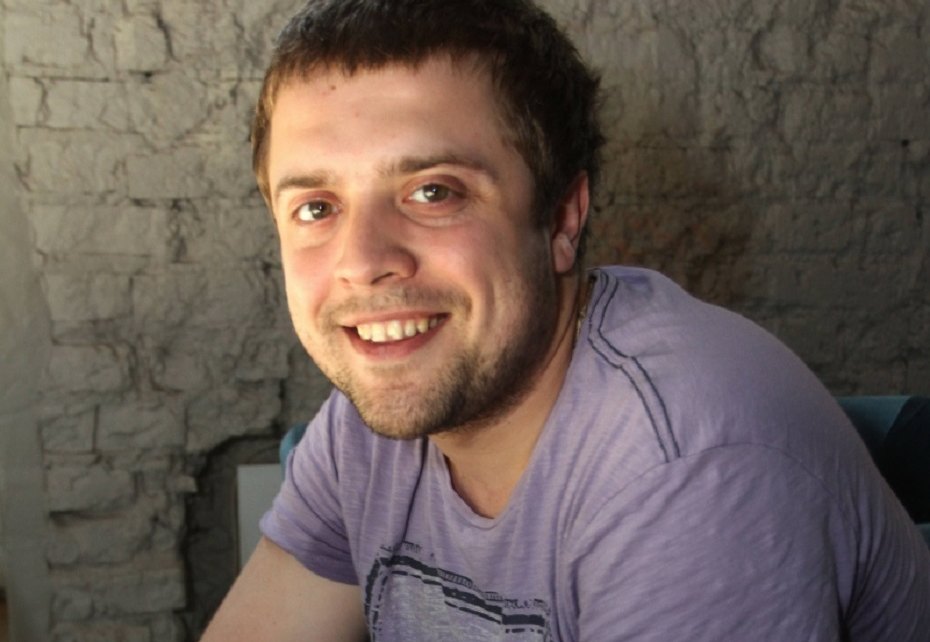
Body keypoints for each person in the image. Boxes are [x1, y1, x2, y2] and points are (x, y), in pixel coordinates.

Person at [203, 0, 930, 639]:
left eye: (433, 192)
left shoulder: (689, 464)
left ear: (561, 220)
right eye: (316, 208)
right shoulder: (369, 427)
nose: (363, 262)